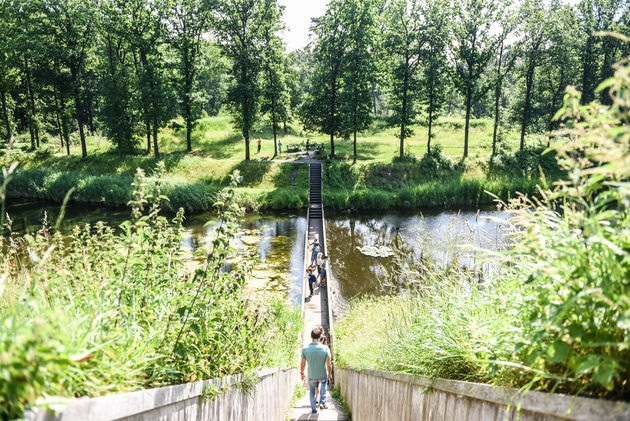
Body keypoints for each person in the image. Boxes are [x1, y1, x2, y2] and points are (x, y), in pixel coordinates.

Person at [301, 328, 332, 414]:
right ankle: (322, 402)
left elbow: (303, 363)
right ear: (320, 337)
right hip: (322, 373)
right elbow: (329, 364)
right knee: (324, 383)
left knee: (312, 391)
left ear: (311, 337)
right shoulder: (325, 348)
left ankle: (314, 409)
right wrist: (329, 373)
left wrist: (302, 373)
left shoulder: (305, 349)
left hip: (311, 374)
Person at [314, 327, 329, 407]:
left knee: (316, 383)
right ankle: (322, 401)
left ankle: (316, 399)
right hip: (322, 358)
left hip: (315, 360)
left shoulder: (315, 338)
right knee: (323, 382)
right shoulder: (324, 338)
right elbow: (326, 346)